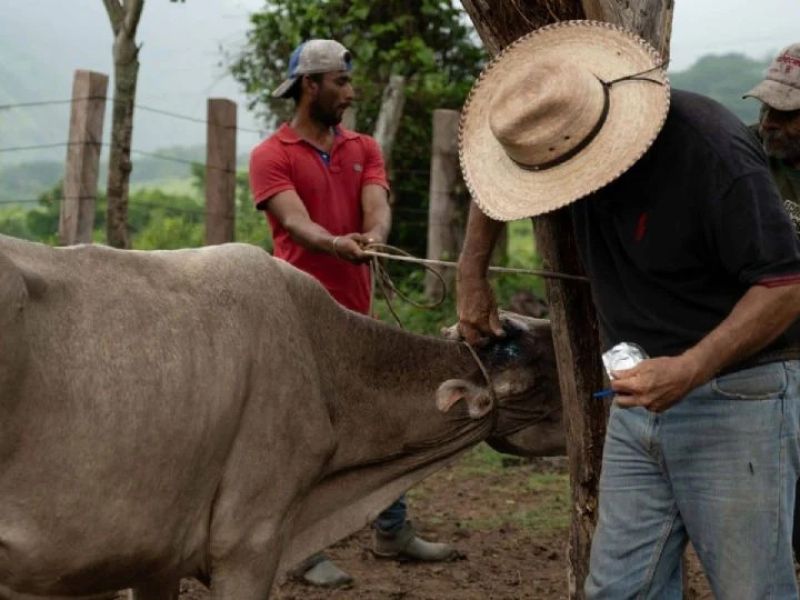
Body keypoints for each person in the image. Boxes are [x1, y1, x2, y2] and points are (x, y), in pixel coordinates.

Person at [455, 21, 800, 598]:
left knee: (751, 589)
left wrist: (689, 369)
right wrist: (472, 272)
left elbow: (786, 286)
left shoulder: (711, 152)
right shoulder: (556, 133)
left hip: (739, 395)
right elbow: (493, 179)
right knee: (619, 590)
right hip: (639, 400)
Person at [248, 39, 455, 588]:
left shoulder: (364, 146)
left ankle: (392, 529)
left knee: (382, 415)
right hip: (298, 316)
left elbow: (377, 206)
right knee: (304, 431)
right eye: (340, 81)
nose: (350, 91)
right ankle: (298, 551)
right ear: (310, 85)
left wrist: (373, 238)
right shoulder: (272, 154)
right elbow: (294, 224)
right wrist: (337, 244)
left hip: (357, 311)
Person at [744, 43, 800, 561]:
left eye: (785, 113)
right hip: (760, 356)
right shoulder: (742, 154)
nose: (768, 124)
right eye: (765, 108)